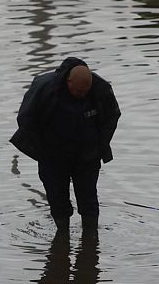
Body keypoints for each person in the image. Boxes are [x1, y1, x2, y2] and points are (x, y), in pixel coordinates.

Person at [10, 57, 121, 232]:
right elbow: (26, 120)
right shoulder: (44, 89)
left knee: (89, 200)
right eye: (78, 91)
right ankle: (62, 232)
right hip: (53, 156)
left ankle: (90, 241)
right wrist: (42, 151)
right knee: (57, 201)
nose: (82, 95)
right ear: (68, 81)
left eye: (86, 91)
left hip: (87, 156)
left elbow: (112, 117)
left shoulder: (100, 89)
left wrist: (99, 146)